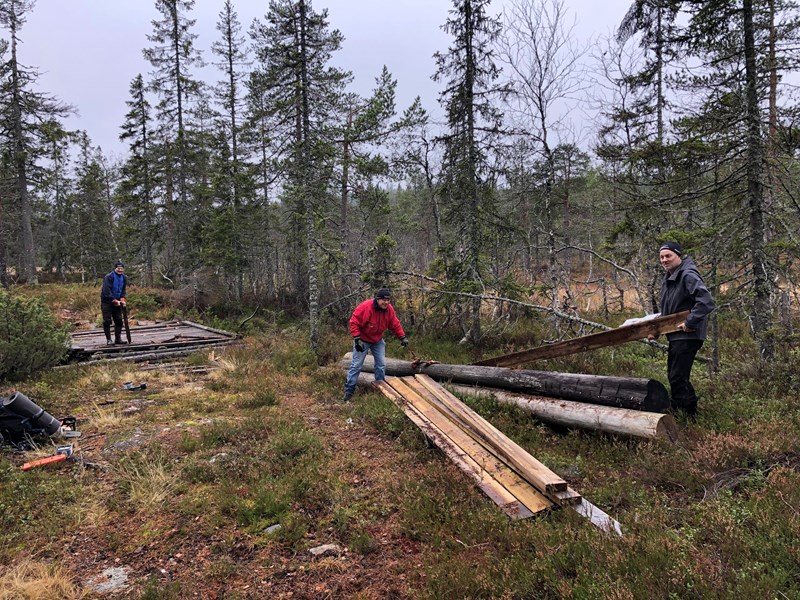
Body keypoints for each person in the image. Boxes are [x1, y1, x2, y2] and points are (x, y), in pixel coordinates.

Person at [649, 241, 715, 417]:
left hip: (688, 335)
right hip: (676, 335)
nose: (664, 260)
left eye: (668, 256)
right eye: (661, 257)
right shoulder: (669, 277)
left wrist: (690, 322)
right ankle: (684, 412)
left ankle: (687, 416)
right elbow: (669, 310)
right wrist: (657, 330)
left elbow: (706, 302)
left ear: (678, 255)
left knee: (677, 377)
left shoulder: (687, 275)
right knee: (675, 375)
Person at [343, 288, 408, 402]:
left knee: (381, 365)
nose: (386, 302)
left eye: (388, 300)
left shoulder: (389, 310)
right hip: (363, 339)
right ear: (377, 299)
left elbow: (394, 323)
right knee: (356, 365)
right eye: (384, 300)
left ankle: (380, 388)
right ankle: (349, 391)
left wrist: (402, 337)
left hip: (377, 340)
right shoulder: (366, 307)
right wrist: (357, 339)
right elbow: (354, 321)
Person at [100, 261, 128, 345]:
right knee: (107, 321)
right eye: (118, 268)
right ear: (115, 268)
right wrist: (113, 300)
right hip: (107, 302)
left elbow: (123, 289)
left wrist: (122, 298)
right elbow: (106, 290)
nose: (120, 270)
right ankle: (109, 340)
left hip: (117, 301)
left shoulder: (124, 277)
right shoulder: (109, 277)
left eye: (121, 269)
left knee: (119, 320)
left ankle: (118, 339)